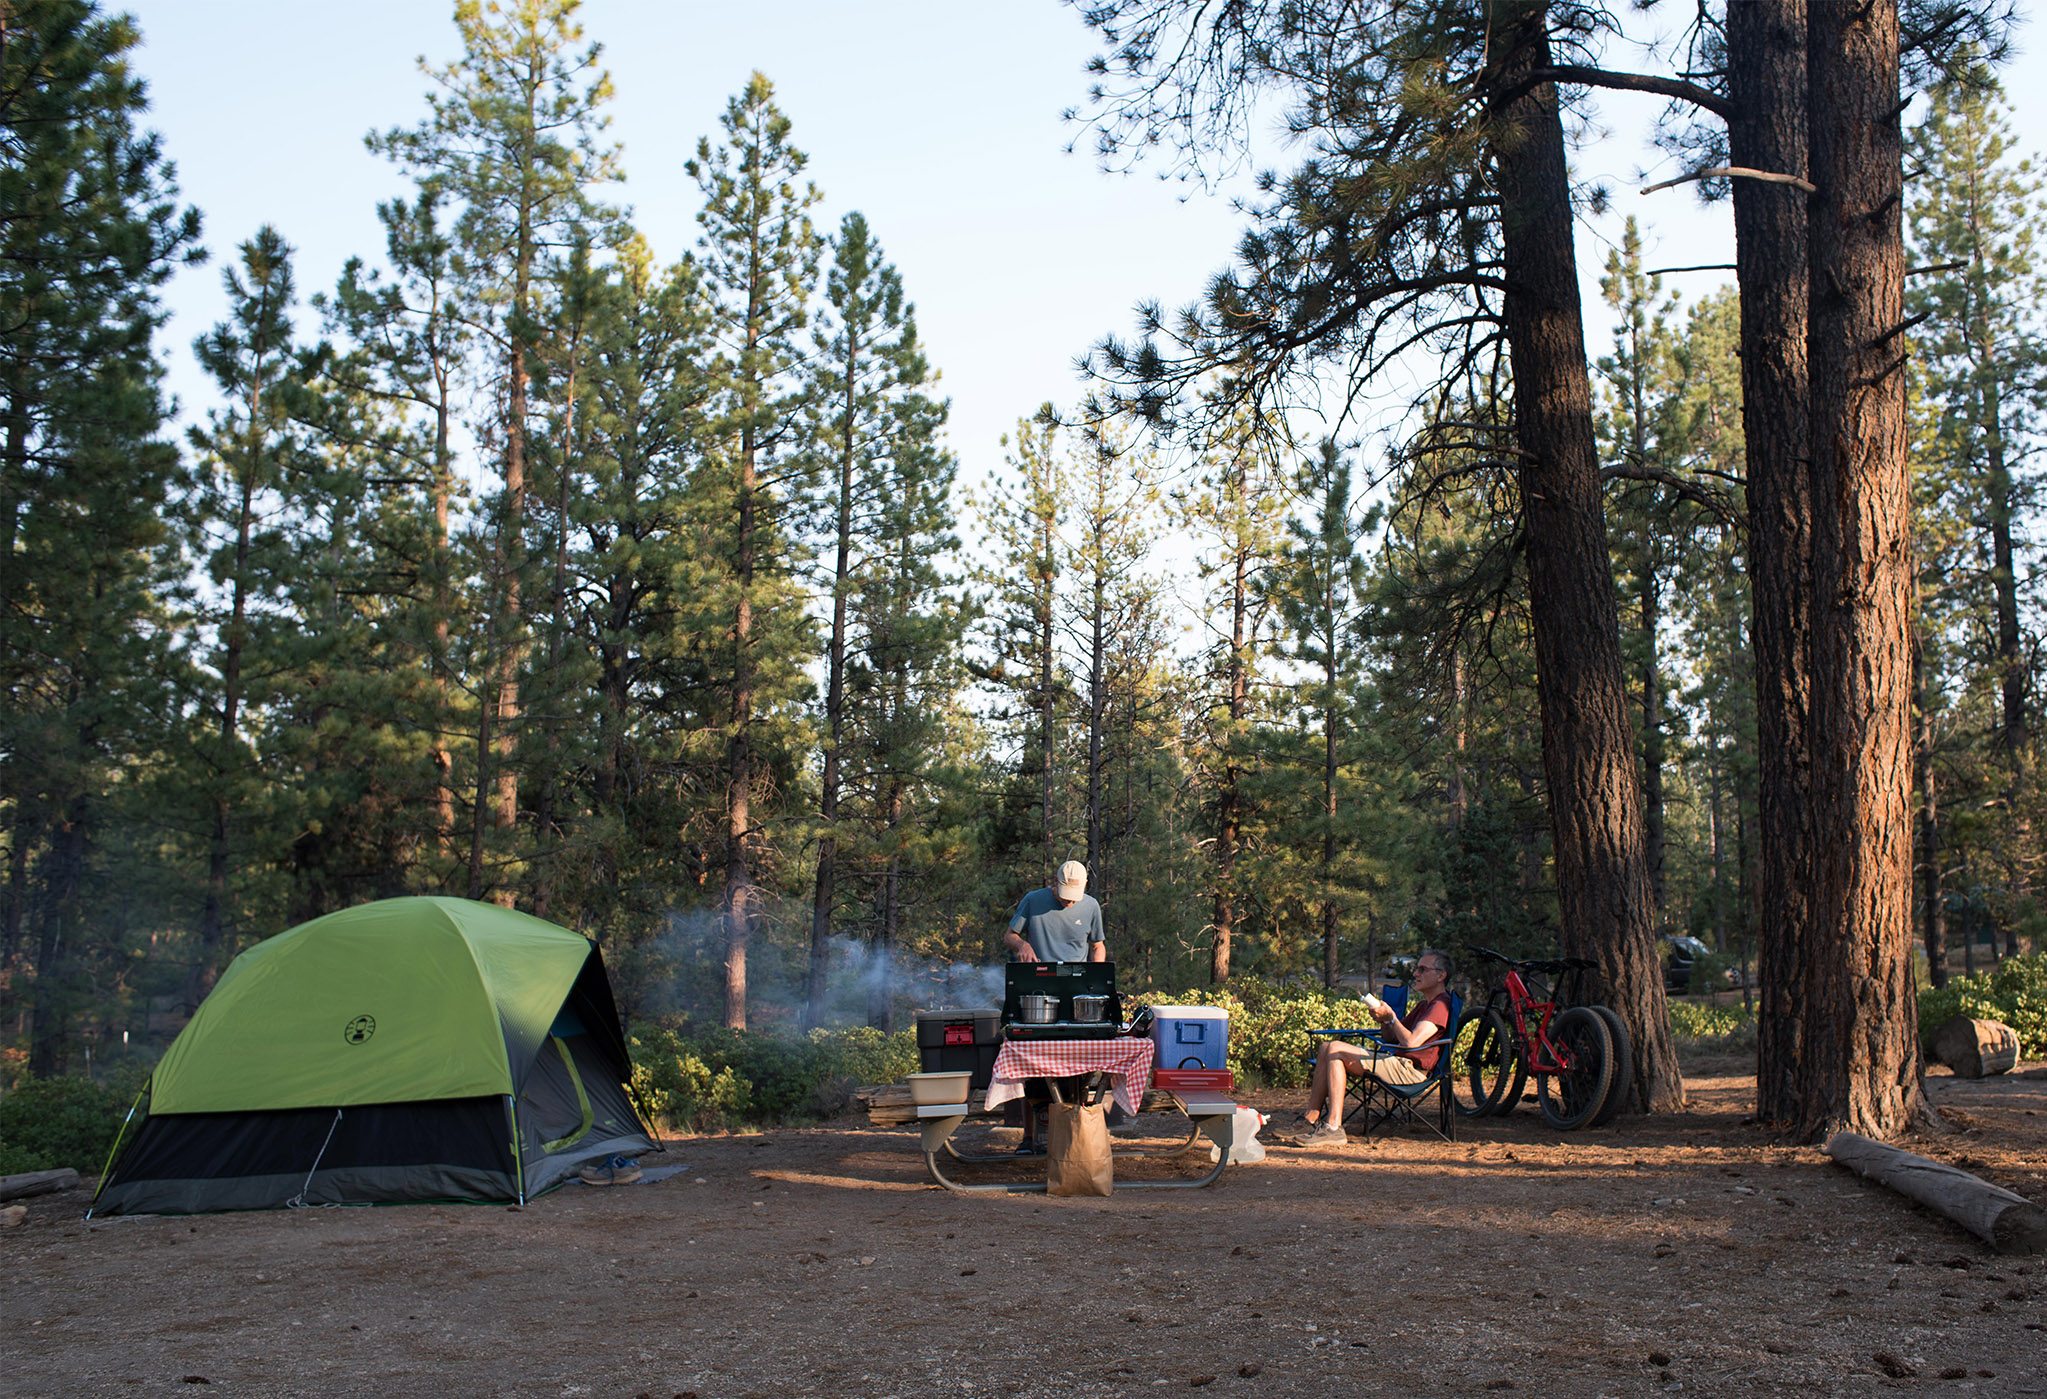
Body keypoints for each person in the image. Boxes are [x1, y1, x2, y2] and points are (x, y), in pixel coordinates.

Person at [1290, 948, 1456, 1146]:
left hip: (1410, 1071)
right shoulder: (1424, 1005)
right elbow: (1392, 1038)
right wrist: (1385, 1021)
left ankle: (1333, 1128)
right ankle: (1310, 1119)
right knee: (1326, 1047)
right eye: (1416, 969)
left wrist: (1392, 1017)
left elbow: (1411, 1043)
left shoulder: (1440, 1005)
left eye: (1422, 969)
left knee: (1335, 1048)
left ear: (1441, 975)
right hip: (1397, 1062)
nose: (1415, 974)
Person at [1003, 860, 1105, 963]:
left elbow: (1097, 946)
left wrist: (1098, 974)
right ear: (1056, 880)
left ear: (1085, 884)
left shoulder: (1091, 906)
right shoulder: (1033, 900)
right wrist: (1022, 945)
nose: (1070, 900)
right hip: (1039, 974)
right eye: (1066, 894)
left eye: (1075, 896)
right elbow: (1009, 936)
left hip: (1076, 976)